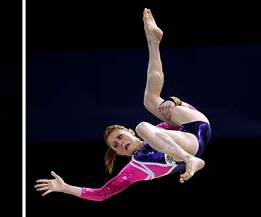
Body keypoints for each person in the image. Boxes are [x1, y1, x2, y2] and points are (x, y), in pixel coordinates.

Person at [35, 8, 211, 201]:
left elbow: (180, 113)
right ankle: (189, 159)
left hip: (195, 127)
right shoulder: (135, 168)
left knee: (150, 102)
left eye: (119, 137)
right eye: (116, 145)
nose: (120, 143)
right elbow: (102, 194)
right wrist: (65, 188)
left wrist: (175, 101)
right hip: (192, 145)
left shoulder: (155, 131)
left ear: (129, 132)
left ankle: (153, 41)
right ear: (118, 153)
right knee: (146, 120)